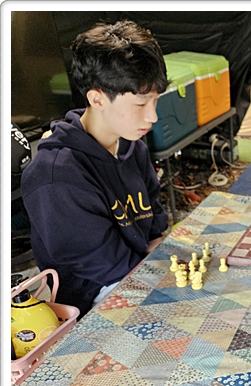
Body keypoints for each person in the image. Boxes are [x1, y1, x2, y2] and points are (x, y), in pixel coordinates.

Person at [21, 20, 170, 317]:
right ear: (97, 98)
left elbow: (155, 229)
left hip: (139, 271)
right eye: (141, 104)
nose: (153, 116)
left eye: (155, 101)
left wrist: (167, 258)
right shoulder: (56, 174)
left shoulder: (133, 145)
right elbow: (106, 268)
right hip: (94, 300)